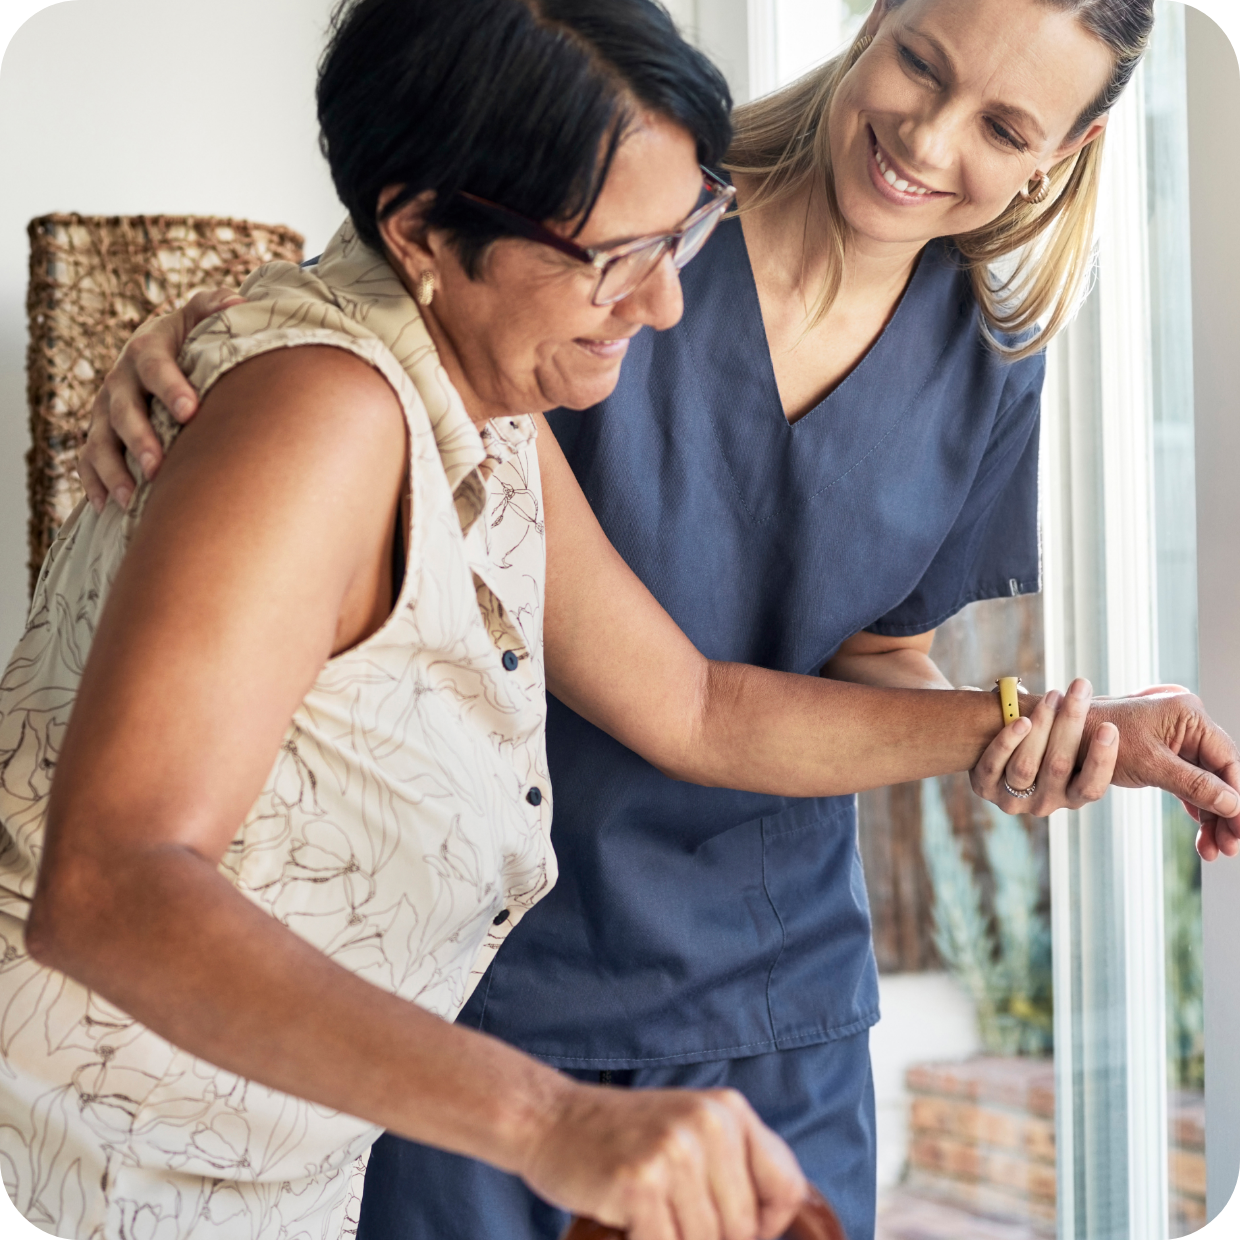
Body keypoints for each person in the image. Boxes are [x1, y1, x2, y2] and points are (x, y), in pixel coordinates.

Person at [73, 3, 1240, 1240]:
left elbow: (859, 663)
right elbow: (383, 315)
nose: (929, 136)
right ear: (875, 19)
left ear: (1056, 154)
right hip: (482, 977)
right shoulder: (614, 201)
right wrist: (213, 338)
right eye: (917, 62)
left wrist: (1014, 735)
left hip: (775, 990)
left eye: (1003, 125)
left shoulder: (985, 360)